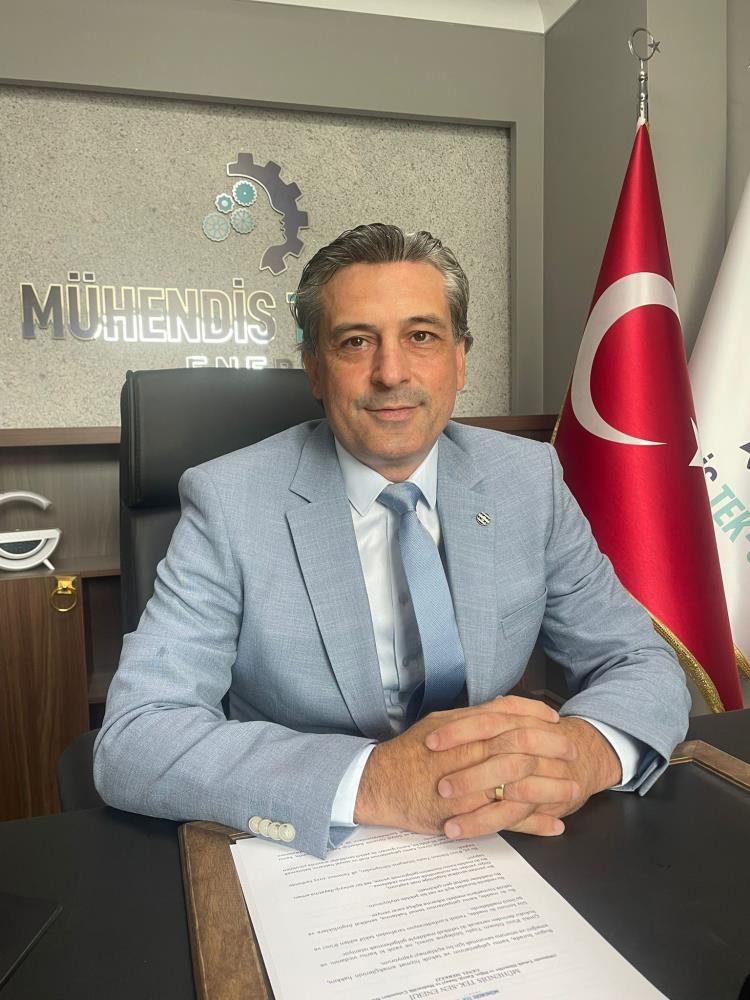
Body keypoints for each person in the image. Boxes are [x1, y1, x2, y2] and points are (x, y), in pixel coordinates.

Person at [94, 223, 690, 859]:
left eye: (421, 336)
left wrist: (585, 753)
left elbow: (639, 660)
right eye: (356, 342)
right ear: (315, 369)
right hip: (317, 848)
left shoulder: (527, 479)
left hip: (496, 837)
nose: (391, 372)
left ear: (459, 359)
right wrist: (378, 780)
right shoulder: (229, 501)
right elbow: (137, 736)